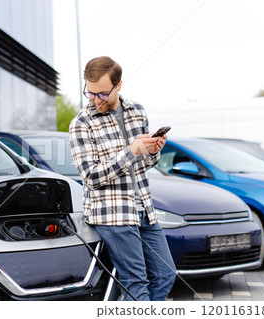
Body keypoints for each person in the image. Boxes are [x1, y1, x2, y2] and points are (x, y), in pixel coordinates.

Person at [69, 56, 176, 301]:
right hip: (112, 214)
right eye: (90, 93)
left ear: (118, 86)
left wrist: (153, 150)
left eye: (103, 94)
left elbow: (146, 165)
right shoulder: (81, 124)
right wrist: (131, 151)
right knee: (135, 283)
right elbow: (90, 177)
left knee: (166, 274)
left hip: (144, 209)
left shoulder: (137, 112)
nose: (96, 100)